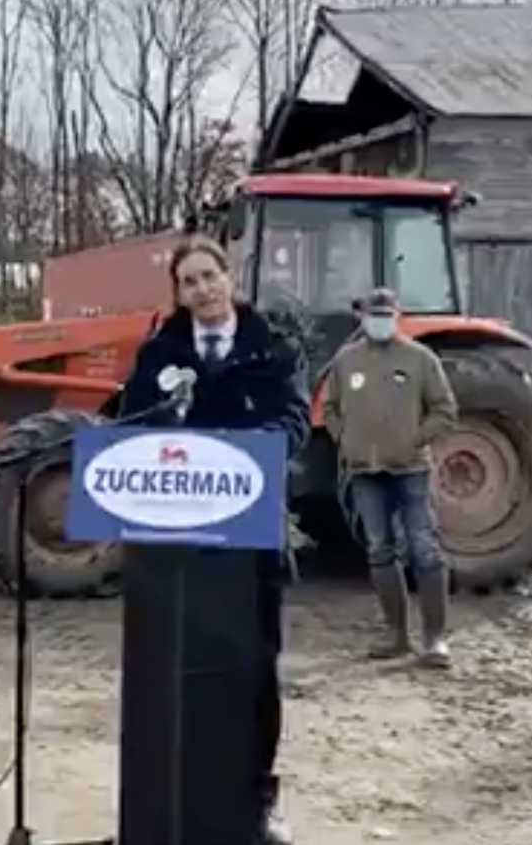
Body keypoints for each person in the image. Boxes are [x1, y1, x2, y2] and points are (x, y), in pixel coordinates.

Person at [119, 236, 311, 845]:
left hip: (250, 544)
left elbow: (295, 421)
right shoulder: (159, 354)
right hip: (176, 552)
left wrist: (244, 451)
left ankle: (258, 799)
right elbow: (131, 422)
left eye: (210, 276)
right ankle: (177, 799)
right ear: (177, 292)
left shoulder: (273, 349)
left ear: (229, 278)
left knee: (253, 670)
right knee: (177, 673)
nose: (202, 289)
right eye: (189, 281)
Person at [323, 287, 459, 668]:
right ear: (362, 318)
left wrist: (412, 440)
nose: (379, 321)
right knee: (380, 549)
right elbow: (330, 407)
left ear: (397, 316)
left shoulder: (419, 359)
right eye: (373, 314)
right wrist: (345, 439)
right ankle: (395, 635)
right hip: (364, 471)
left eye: (386, 314)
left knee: (424, 548)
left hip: (410, 469)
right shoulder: (346, 361)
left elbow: (445, 410)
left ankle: (434, 639)